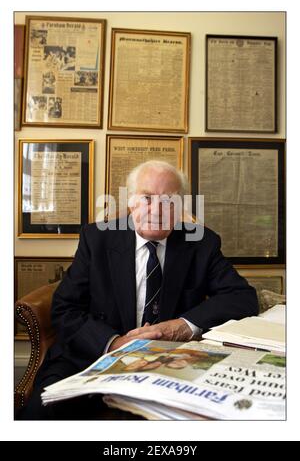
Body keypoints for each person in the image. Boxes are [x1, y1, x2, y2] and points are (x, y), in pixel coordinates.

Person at [17, 160, 258, 419]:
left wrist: (181, 326)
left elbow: (242, 297)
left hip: (169, 365)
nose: (157, 209)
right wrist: (115, 343)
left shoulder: (201, 242)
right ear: (131, 202)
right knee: (40, 413)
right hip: (92, 357)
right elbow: (65, 308)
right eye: (147, 197)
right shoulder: (97, 238)